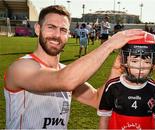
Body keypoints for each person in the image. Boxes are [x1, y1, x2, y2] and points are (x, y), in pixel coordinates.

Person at [3, 5, 144, 129]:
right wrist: (109, 44)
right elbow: (65, 81)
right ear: (38, 29)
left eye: (63, 30)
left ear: (68, 34)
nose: (57, 35)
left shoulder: (65, 71)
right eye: (51, 27)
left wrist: (116, 71)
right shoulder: (20, 68)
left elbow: (98, 100)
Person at [98, 32, 155, 129]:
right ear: (124, 60)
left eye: (147, 62)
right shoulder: (112, 86)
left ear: (154, 63)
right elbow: (104, 118)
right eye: (134, 61)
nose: (141, 66)